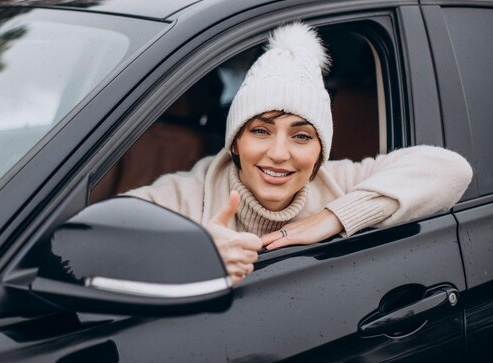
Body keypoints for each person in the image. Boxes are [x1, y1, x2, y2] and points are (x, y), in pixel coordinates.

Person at [127, 23, 473, 285]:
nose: (279, 153)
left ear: (321, 151)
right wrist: (190, 253)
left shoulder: (341, 181)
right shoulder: (182, 195)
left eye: (302, 136)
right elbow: (86, 246)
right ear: (234, 141)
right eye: (260, 130)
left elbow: (452, 169)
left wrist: (333, 217)